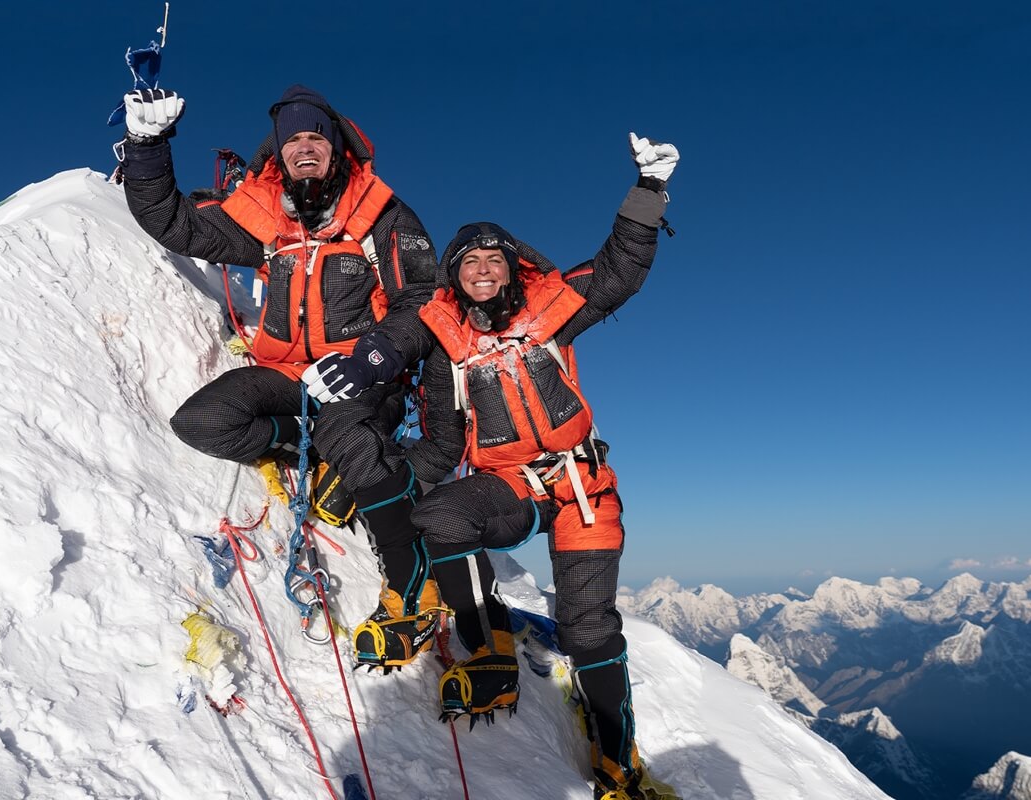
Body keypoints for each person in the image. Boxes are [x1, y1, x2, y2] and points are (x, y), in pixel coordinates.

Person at [116, 85, 443, 670]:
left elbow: (422, 300)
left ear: (337, 146)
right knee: (201, 421)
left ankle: (412, 590)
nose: (304, 147)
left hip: (362, 377)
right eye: (293, 140)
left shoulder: (382, 214)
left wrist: (372, 357)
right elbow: (175, 224)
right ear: (279, 154)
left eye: (316, 135)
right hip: (287, 374)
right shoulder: (266, 218)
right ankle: (312, 451)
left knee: (356, 445)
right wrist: (146, 148)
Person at [403, 134, 680, 800]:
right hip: (509, 487)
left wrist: (647, 190)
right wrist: (385, 479)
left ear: (512, 265)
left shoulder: (550, 310)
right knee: (439, 511)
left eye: (491, 257)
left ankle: (616, 762)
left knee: (589, 630)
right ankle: (489, 645)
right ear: (454, 280)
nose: (480, 269)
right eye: (466, 264)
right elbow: (442, 444)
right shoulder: (450, 355)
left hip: (582, 486)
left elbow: (617, 273)